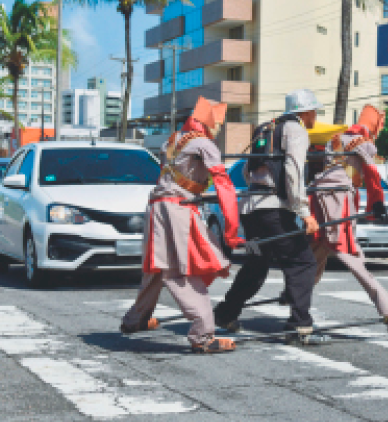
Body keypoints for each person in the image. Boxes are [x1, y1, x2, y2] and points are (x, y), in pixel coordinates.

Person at [120, 97, 244, 354]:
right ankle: (203, 334)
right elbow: (223, 183)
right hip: (177, 210)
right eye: (218, 123)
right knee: (181, 270)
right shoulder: (204, 144)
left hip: (158, 207)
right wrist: (231, 230)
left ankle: (135, 320)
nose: (219, 128)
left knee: (158, 268)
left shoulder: (175, 139)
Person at [213, 89, 328, 346]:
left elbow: (246, 168)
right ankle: (300, 324)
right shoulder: (295, 130)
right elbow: (294, 172)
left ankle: (225, 314)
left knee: (256, 264)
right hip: (275, 209)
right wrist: (305, 213)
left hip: (252, 208)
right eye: (314, 111)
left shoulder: (266, 128)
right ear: (305, 111)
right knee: (302, 262)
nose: (315, 116)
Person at [309, 104, 388, 332]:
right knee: (354, 259)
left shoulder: (337, 138)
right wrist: (377, 202)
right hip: (337, 204)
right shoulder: (365, 142)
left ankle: (294, 296)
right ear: (374, 125)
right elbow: (371, 174)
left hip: (318, 200)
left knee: (315, 256)